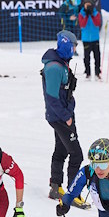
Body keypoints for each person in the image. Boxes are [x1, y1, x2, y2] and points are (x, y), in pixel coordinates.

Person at [42, 30, 83, 199]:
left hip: (62, 115)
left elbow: (65, 93)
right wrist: (66, 117)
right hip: (60, 118)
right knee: (76, 154)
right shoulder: (54, 67)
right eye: (73, 46)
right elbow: (51, 98)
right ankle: (73, 193)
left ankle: (55, 187)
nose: (74, 50)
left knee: (61, 150)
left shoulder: (62, 63)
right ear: (66, 45)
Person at [78, 0, 103, 80]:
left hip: (95, 38)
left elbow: (97, 23)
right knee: (86, 57)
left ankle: (97, 72)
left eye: (89, 5)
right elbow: (82, 25)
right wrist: (86, 15)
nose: (88, 6)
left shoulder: (96, 13)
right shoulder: (81, 14)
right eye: (86, 5)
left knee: (97, 56)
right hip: (86, 39)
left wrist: (92, 15)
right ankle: (87, 73)